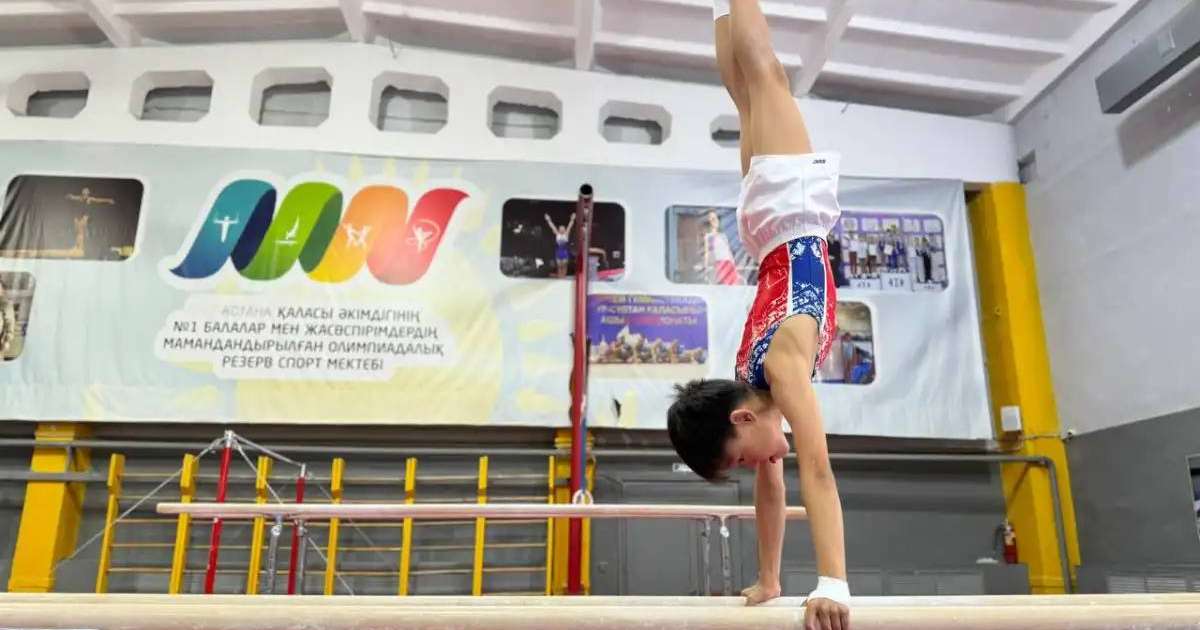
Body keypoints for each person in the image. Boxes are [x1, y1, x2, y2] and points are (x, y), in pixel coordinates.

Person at [667, 2, 850, 629]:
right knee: (745, 92)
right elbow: (774, 490)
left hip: (792, 209)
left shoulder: (780, 369)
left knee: (764, 71)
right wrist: (771, 579)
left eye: (741, 458)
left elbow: (818, 474)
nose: (758, 466)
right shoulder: (754, 380)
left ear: (742, 417)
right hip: (767, 226)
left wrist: (834, 584)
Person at [704, 209, 743, 285]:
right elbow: (707, 252)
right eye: (711, 219)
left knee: (733, 284)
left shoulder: (723, 236)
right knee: (724, 284)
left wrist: (734, 266)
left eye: (715, 218)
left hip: (729, 264)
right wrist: (706, 268)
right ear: (709, 221)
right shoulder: (709, 236)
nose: (714, 221)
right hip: (719, 264)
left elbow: (728, 251)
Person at [544, 212, 575, 278]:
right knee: (559, 265)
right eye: (560, 228)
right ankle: (560, 277)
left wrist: (572, 219)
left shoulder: (566, 234)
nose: (562, 229)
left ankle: (564, 276)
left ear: (564, 229)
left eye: (563, 228)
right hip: (558, 251)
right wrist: (548, 220)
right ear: (559, 229)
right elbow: (552, 226)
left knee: (564, 265)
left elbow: (570, 226)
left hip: (565, 252)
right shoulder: (557, 234)